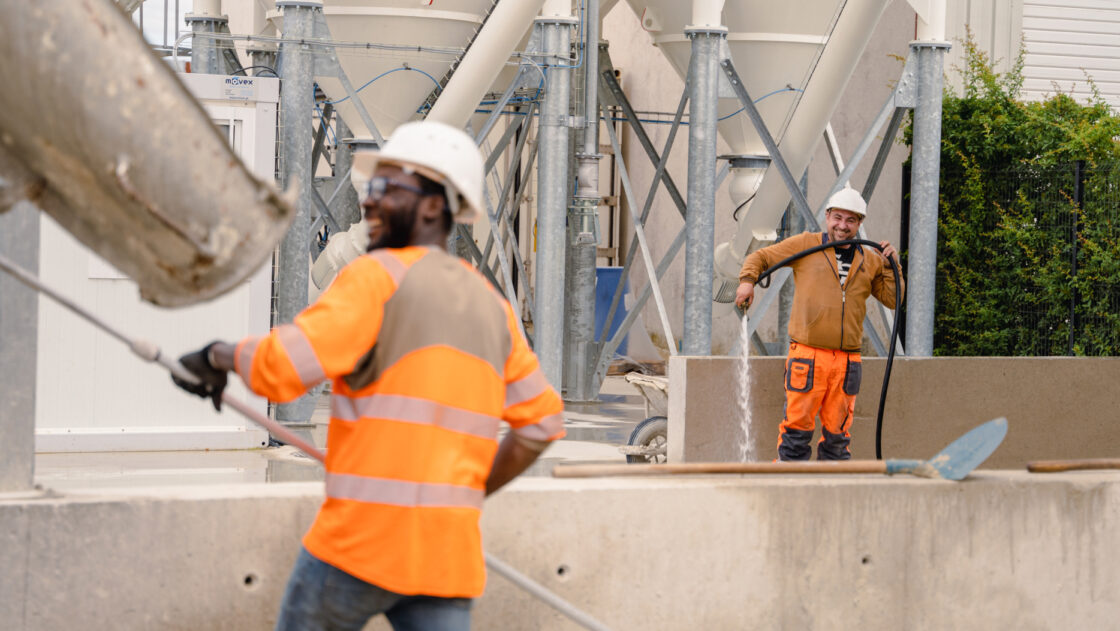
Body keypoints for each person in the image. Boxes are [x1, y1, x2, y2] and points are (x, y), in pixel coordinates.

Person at [172, 120, 565, 630]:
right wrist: (466, 494)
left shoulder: (375, 278)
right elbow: (541, 425)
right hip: (446, 558)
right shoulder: (494, 309)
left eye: (387, 188)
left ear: (433, 205)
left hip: (358, 549)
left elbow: (283, 368)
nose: (369, 201)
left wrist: (216, 355)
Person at [734, 186, 902, 461]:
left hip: (847, 362)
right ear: (827, 216)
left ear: (860, 223)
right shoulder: (806, 244)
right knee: (796, 432)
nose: (842, 226)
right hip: (808, 357)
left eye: (850, 220)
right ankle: (789, 490)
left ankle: (829, 493)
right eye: (837, 217)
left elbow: (893, 300)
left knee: (838, 438)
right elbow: (761, 257)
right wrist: (747, 281)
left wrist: (892, 266)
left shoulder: (871, 259)